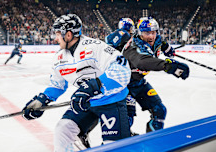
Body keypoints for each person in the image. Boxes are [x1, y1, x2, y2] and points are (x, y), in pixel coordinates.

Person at [21, 14, 131, 152]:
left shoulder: (95, 47)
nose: (55, 38)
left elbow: (122, 68)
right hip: (86, 103)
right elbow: (57, 85)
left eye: (57, 34)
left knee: (114, 147)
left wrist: (94, 86)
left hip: (111, 102)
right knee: (63, 129)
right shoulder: (59, 58)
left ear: (68, 35)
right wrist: (42, 99)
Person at [106, 17, 190, 133]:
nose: (151, 36)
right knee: (126, 120)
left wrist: (167, 48)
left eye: (153, 32)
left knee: (159, 110)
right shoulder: (133, 46)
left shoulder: (156, 40)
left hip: (138, 83)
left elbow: (160, 43)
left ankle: (152, 143)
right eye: (147, 33)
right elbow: (142, 61)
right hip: (123, 85)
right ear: (140, 33)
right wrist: (168, 66)